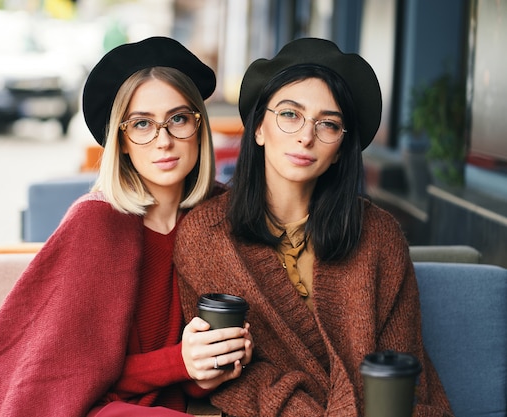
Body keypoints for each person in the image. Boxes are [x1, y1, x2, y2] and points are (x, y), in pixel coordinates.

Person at [0, 36, 252, 417]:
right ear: (120, 141)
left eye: (178, 119)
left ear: (199, 127)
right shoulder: (97, 222)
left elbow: (197, 367)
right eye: (141, 124)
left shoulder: (219, 217)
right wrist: (178, 363)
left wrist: (218, 359)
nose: (163, 140)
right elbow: (61, 377)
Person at [174, 38, 453, 416]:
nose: (306, 135)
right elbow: (234, 376)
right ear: (258, 127)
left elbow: (401, 371)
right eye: (290, 114)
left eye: (329, 124)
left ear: (340, 148)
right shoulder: (206, 236)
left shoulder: (379, 236)